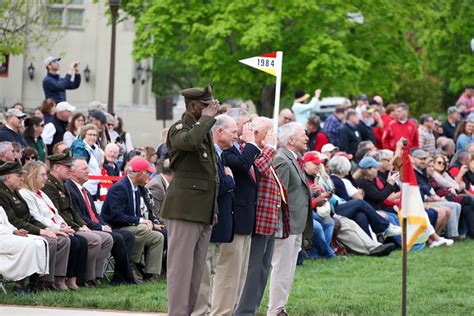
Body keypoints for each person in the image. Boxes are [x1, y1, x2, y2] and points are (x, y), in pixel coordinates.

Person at [160, 84, 219, 315]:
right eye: (205, 106)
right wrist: (206, 119)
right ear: (193, 106)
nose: (210, 110)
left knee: (196, 273)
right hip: (183, 209)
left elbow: (210, 174)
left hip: (201, 210)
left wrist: (212, 209)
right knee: (180, 270)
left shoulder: (204, 129)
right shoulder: (179, 128)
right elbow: (189, 142)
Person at [236, 117, 289, 316]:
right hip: (257, 221)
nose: (271, 137)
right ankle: (243, 311)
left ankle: (251, 309)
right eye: (268, 133)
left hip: (268, 221)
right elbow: (257, 171)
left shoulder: (263, 154)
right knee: (252, 270)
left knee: (261, 271)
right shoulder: (248, 152)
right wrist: (270, 148)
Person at [212, 108, 260, 315]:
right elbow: (241, 166)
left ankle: (232, 311)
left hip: (246, 218)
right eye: (244, 124)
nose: (248, 129)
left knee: (239, 275)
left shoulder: (239, 149)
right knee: (228, 274)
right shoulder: (227, 152)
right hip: (232, 219)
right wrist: (251, 143)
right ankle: (221, 312)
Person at [42, 151, 113, 286]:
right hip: (62, 226)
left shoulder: (62, 184)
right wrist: (76, 227)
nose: (70, 169)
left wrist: (82, 225)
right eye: (67, 167)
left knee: (105, 238)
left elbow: (72, 211)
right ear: (56, 168)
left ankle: (92, 276)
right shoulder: (50, 186)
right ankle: (70, 278)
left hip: (70, 225)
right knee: (89, 240)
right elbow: (56, 213)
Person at [0, 160, 71, 291]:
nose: (22, 178)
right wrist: (41, 231)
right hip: (11, 232)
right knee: (45, 242)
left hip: (19, 230)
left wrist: (47, 229)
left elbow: (29, 217)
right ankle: (34, 283)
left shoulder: (14, 191)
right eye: (19, 175)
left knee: (57, 239)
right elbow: (14, 220)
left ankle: (44, 282)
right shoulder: (3, 193)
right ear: (8, 177)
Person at [65, 158, 137, 285]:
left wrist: (104, 224)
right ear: (73, 172)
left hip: (95, 226)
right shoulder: (70, 189)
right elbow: (79, 216)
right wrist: (101, 227)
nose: (88, 171)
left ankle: (120, 276)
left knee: (128, 236)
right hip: (85, 227)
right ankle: (100, 276)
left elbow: (95, 214)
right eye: (84, 169)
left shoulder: (85, 190)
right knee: (118, 237)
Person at [19, 161, 88, 290]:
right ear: (33, 176)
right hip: (41, 228)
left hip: (54, 227)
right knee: (65, 241)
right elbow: (36, 216)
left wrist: (63, 225)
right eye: (43, 175)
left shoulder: (42, 193)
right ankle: (48, 280)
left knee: (76, 240)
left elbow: (55, 213)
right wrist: (57, 228)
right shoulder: (26, 194)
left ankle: (62, 278)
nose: (46, 177)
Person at [193, 115, 236, 315]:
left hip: (220, 223)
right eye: (233, 131)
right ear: (219, 132)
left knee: (210, 272)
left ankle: (208, 310)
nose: (236, 135)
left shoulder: (218, 154)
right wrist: (229, 180)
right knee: (203, 274)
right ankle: (201, 311)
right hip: (210, 221)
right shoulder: (210, 154)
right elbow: (213, 188)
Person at [268, 122, 313, 315]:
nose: (307, 138)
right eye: (303, 135)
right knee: (281, 270)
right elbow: (277, 196)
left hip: (296, 225)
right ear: (291, 140)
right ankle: (275, 310)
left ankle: (281, 308)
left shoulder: (293, 158)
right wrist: (280, 227)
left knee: (288, 270)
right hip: (286, 226)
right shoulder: (282, 160)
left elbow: (293, 191)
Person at [101, 157, 165, 281]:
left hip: (131, 226)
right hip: (115, 227)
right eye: (148, 172)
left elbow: (136, 214)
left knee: (158, 237)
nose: (149, 175)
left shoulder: (136, 188)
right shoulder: (120, 188)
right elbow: (116, 216)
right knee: (142, 229)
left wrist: (151, 223)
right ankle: (130, 265)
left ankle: (150, 274)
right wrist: (141, 221)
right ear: (140, 174)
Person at [412, 149, 460, 240]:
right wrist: (434, 197)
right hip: (423, 201)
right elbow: (423, 189)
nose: (423, 161)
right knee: (449, 208)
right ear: (413, 159)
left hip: (430, 199)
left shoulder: (422, 172)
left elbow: (455, 186)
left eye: (424, 159)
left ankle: (439, 236)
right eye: (420, 159)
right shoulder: (416, 172)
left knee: (455, 205)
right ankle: (447, 236)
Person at [0, 205, 49, 295]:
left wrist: (16, 231)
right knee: (27, 244)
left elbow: (6, 223)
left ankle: (33, 284)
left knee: (40, 242)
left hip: (7, 235)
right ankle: (19, 287)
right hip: (2, 237)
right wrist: (12, 232)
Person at [302, 152, 336, 259]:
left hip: (310, 211)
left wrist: (325, 196)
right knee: (318, 227)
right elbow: (300, 201)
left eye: (319, 164)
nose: (319, 166)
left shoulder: (315, 177)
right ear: (305, 164)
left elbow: (320, 195)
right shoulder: (302, 177)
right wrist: (316, 200)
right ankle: (328, 254)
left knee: (329, 222)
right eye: (315, 164)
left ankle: (315, 253)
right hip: (301, 212)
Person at [71, 124, 102, 197]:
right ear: (84, 135)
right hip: (85, 186)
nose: (92, 137)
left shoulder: (96, 148)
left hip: (94, 188)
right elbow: (78, 167)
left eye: (95, 135)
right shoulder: (80, 148)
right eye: (90, 134)